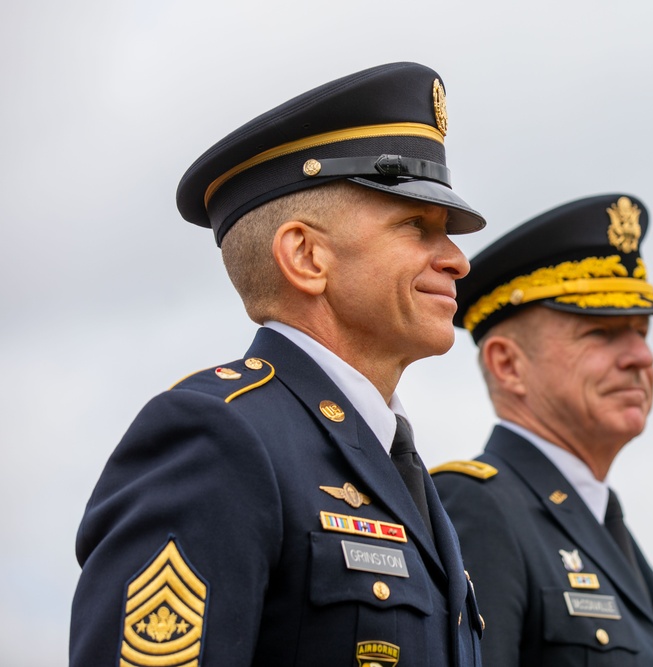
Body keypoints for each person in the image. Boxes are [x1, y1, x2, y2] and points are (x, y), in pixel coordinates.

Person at [70, 62, 487, 667]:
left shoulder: (397, 464)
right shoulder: (218, 437)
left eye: (446, 231)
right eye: (415, 226)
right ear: (306, 255)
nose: (456, 259)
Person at [432, 194, 653, 667]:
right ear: (508, 364)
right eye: (601, 333)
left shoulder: (606, 526)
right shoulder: (479, 507)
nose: (641, 357)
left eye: (642, 332)